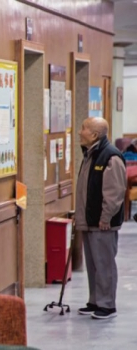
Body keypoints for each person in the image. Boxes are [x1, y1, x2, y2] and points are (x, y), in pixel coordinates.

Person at [75, 117, 126, 320]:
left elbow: (114, 193)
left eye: (84, 128)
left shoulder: (110, 157)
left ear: (95, 135)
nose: (80, 132)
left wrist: (105, 217)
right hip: (90, 221)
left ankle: (107, 304)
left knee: (104, 263)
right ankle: (95, 300)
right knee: (93, 264)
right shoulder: (90, 154)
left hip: (102, 223)